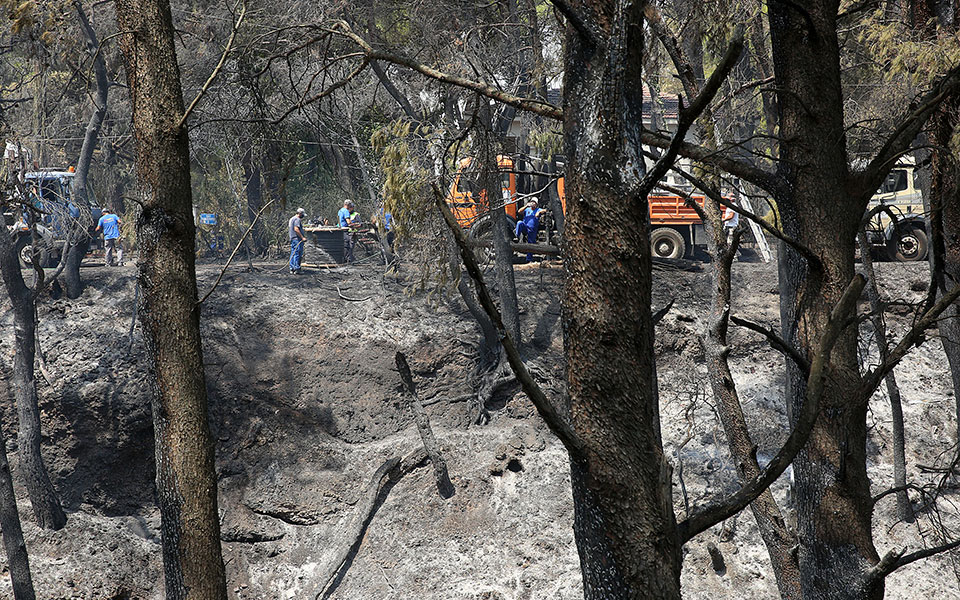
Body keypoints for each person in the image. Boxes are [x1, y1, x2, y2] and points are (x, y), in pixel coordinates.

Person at [514, 197, 546, 263]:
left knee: (531, 243)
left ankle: (529, 259)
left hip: (532, 230)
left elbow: (546, 210)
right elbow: (519, 211)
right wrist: (526, 206)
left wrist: (540, 212)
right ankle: (517, 236)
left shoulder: (538, 209)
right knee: (519, 223)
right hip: (525, 227)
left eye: (534, 202)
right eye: (532, 202)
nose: (532, 203)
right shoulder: (527, 209)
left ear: (536, 204)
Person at [288, 207, 307, 274]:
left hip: (292, 238)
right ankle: (297, 268)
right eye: (302, 215)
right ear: (299, 213)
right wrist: (302, 237)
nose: (303, 217)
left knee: (293, 253)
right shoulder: (297, 219)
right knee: (297, 253)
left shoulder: (291, 219)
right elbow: (296, 229)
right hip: (297, 239)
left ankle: (292, 268)